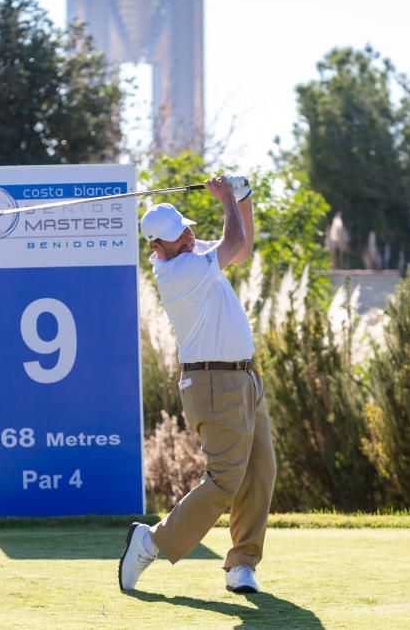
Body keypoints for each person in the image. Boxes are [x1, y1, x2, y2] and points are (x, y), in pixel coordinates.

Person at [119, 174, 276, 595]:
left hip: (244, 378)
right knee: (226, 478)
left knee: (260, 472)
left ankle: (241, 564)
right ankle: (153, 542)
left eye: (186, 228)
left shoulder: (189, 249)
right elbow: (231, 244)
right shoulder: (178, 270)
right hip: (213, 382)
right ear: (157, 248)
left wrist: (243, 198)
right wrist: (227, 200)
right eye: (176, 236)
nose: (188, 237)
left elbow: (241, 248)